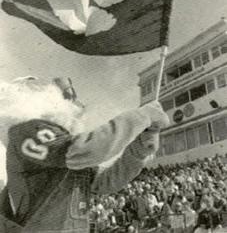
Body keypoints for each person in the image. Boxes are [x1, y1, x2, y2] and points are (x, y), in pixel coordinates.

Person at [0, 76, 169, 233]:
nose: (73, 104)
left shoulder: (64, 147)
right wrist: (142, 116)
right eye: (65, 96)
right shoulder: (26, 130)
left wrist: (137, 151)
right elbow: (83, 150)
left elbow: (105, 182)